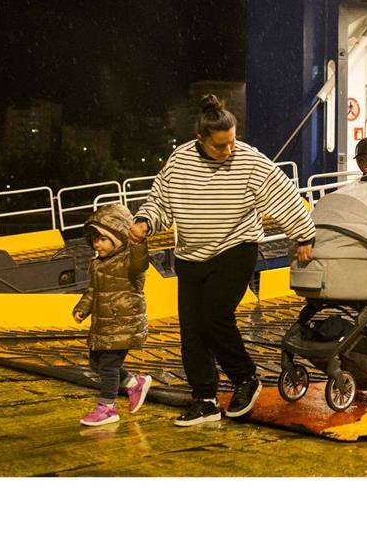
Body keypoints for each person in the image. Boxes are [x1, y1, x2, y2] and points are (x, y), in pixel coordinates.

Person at [130, 95, 316, 426]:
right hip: (190, 255)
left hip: (236, 246)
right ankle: (205, 399)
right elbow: (160, 200)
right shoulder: (180, 161)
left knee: (215, 317)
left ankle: (246, 378)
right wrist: (145, 221)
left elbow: (281, 194)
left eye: (232, 141)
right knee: (192, 330)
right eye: (220, 146)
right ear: (201, 139)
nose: (229, 150)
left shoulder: (248, 161)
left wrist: (303, 234)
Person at [73, 204, 153, 427]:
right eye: (94, 240)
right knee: (95, 363)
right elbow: (93, 290)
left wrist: (138, 243)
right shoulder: (98, 264)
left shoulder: (129, 261)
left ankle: (107, 407)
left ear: (117, 239)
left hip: (123, 322)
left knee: (108, 367)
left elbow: (141, 261)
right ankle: (133, 382)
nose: (97, 245)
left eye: (102, 239)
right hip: (103, 324)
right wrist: (83, 308)